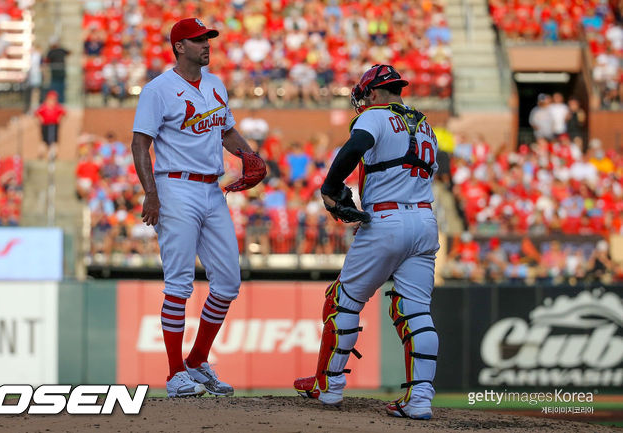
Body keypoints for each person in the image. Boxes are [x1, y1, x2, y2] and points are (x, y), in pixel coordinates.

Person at [294, 64, 440, 420]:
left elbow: (355, 146)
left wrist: (329, 187)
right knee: (417, 311)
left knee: (341, 302)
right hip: (425, 219)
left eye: (363, 95)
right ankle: (419, 399)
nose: (361, 102)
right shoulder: (425, 124)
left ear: (373, 93)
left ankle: (328, 386)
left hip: (387, 220)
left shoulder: (375, 116)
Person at [131, 17, 263, 398]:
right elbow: (140, 143)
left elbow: (226, 131)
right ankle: (175, 375)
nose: (206, 44)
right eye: (197, 40)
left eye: (207, 38)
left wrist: (249, 155)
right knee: (179, 285)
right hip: (175, 187)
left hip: (211, 189)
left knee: (227, 282)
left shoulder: (216, 84)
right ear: (179, 47)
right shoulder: (158, 90)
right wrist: (151, 192)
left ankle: (197, 361)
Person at [35, 90, 66, 159]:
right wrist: (40, 119)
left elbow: (63, 113)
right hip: (45, 125)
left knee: (54, 141)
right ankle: (41, 154)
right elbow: (37, 113)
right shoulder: (44, 107)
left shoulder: (57, 107)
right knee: (44, 141)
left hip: (54, 125)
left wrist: (59, 118)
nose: (53, 101)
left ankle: (53, 154)